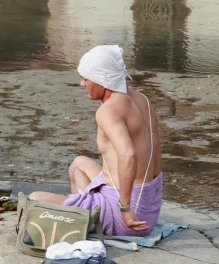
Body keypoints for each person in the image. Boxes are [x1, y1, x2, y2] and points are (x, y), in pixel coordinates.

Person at [29, 45, 162, 236]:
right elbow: (156, 150)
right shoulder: (141, 99)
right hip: (149, 210)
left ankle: (82, 218)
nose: (81, 84)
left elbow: (128, 155)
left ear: (102, 80)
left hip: (127, 219)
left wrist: (125, 208)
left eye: (86, 78)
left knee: (34, 199)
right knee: (79, 163)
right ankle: (85, 209)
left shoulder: (108, 111)